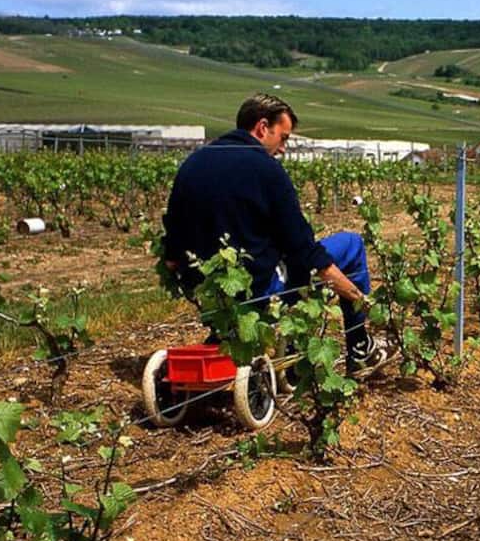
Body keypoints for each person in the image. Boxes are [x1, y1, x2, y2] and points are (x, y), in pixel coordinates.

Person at [161, 93, 395, 377]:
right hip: (260, 292)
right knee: (352, 245)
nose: (283, 148)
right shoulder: (267, 170)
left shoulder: (192, 164)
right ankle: (360, 349)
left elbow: (172, 248)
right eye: (283, 138)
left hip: (211, 295)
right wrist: (353, 293)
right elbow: (302, 248)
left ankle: (233, 336)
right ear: (262, 127)